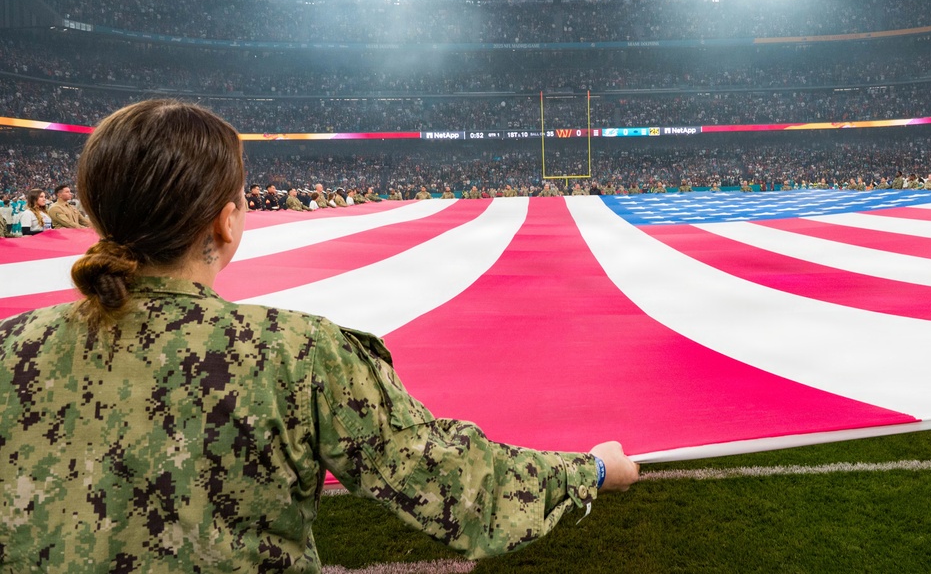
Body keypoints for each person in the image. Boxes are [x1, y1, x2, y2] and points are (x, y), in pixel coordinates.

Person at [0, 100, 638, 572]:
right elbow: (455, 489)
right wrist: (588, 471)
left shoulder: (12, 346)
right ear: (225, 223)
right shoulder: (296, 354)